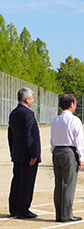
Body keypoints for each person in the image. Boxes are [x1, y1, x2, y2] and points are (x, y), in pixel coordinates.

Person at [50, 94, 84, 222]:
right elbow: (78, 141)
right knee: (68, 184)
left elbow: (52, 139)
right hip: (69, 151)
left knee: (58, 184)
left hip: (57, 151)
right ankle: (66, 214)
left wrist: (53, 151)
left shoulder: (55, 120)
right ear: (71, 104)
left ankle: (59, 214)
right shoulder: (75, 120)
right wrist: (81, 157)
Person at [8, 87, 40, 219]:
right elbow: (30, 135)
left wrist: (13, 151)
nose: (32, 100)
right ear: (27, 99)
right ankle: (22, 209)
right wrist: (34, 154)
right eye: (32, 98)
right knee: (27, 182)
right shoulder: (28, 114)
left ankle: (14, 207)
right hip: (27, 154)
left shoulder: (14, 113)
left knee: (17, 180)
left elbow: (10, 135)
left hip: (17, 152)